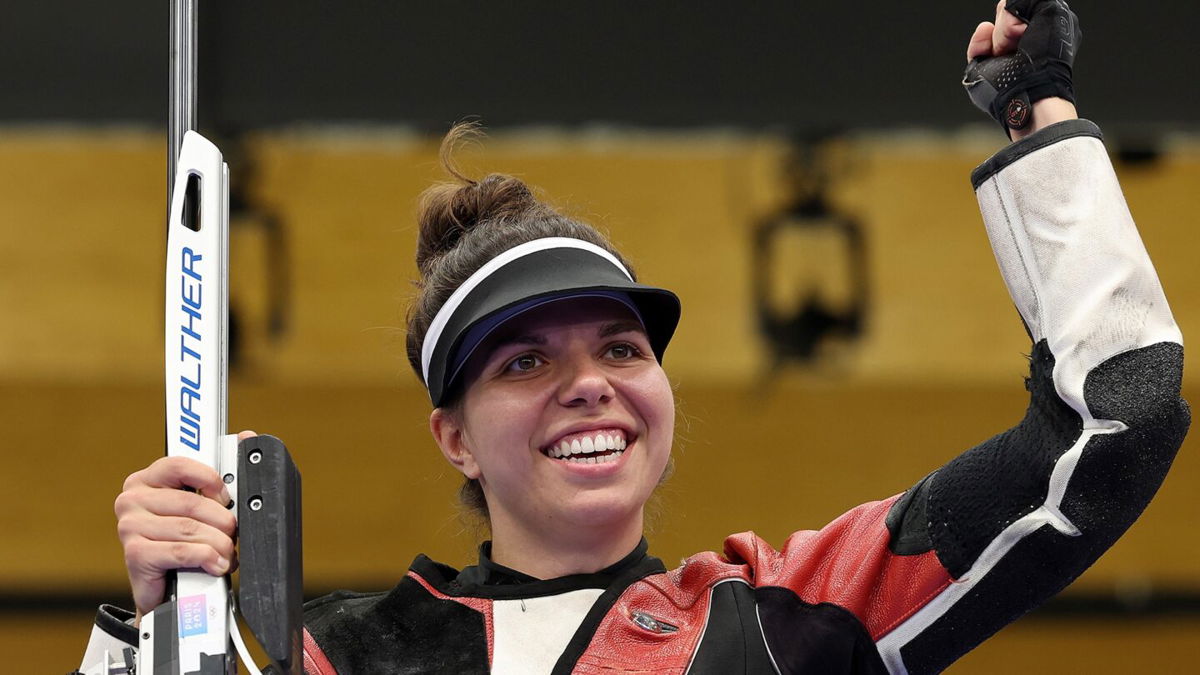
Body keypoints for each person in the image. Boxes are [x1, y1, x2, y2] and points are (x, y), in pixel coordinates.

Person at [80, 2, 1189, 673]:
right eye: (524, 363)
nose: (590, 386)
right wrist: (147, 632)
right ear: (453, 436)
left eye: (621, 349)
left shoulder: (788, 627)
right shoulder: (328, 658)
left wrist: (1041, 130)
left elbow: (1117, 420)